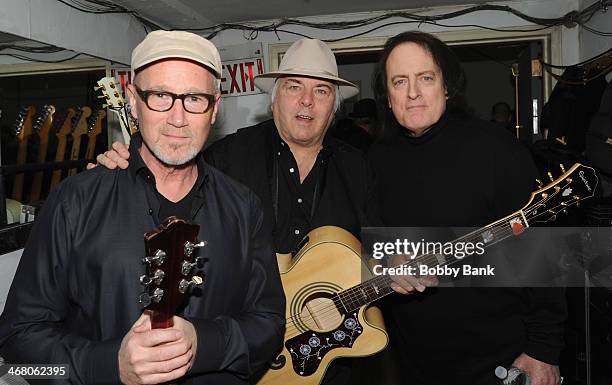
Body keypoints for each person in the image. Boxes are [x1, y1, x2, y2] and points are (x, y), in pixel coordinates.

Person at [0, 30, 285, 385]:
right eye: (161, 96)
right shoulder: (74, 202)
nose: (177, 119)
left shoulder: (244, 208)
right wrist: (106, 365)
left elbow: (270, 323)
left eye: (194, 98)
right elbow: (17, 345)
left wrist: (205, 344)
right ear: (133, 101)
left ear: (214, 108)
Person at [368, 31, 566, 385]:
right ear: (388, 95)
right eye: (400, 81)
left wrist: (543, 348)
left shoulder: (495, 149)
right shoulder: (377, 160)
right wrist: (388, 260)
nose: (413, 92)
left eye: (425, 78)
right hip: (415, 362)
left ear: (447, 86)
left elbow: (544, 252)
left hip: (503, 358)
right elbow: (375, 238)